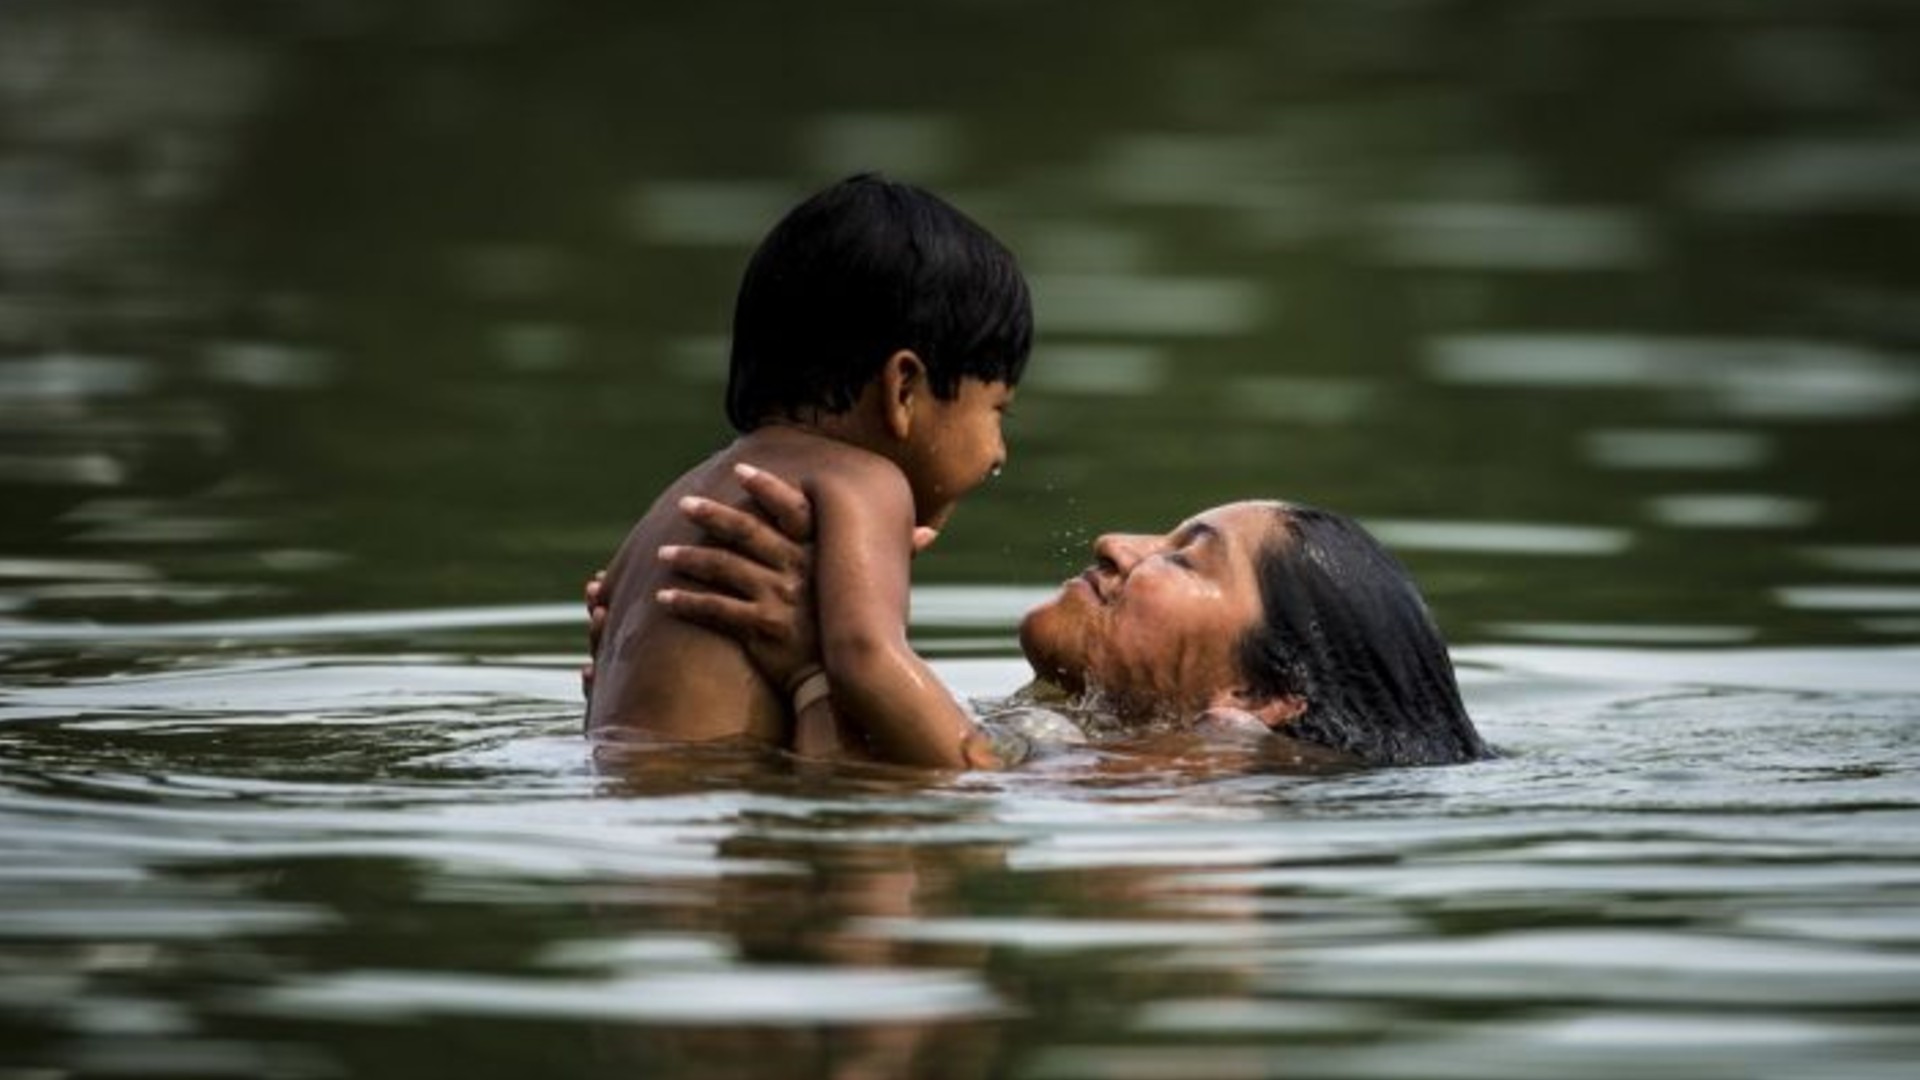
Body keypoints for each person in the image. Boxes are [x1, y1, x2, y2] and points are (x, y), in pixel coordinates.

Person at [593, 469, 1490, 769]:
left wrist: (813, 665)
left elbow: (886, 825)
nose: (1113, 542)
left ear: (1258, 694)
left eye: (1184, 556)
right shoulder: (1098, 751)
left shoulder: (1187, 797)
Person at [586, 174, 1032, 769]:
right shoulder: (866, 483)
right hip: (721, 817)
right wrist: (978, 765)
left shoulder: (677, 500)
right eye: (997, 410)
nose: (999, 452)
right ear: (904, 388)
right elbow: (867, 660)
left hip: (622, 812)